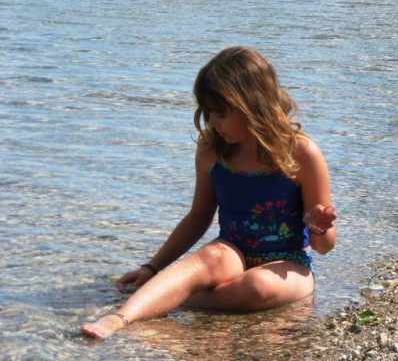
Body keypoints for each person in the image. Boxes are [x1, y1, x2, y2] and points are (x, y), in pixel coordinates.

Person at [81, 46, 337, 339]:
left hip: (290, 264)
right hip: (232, 252)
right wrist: (153, 266)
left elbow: (324, 246)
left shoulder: (302, 153)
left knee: (257, 287)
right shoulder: (212, 150)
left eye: (221, 113)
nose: (212, 122)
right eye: (207, 112)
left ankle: (169, 297)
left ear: (253, 106)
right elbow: (198, 217)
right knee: (210, 256)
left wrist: (318, 227)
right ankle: (121, 317)